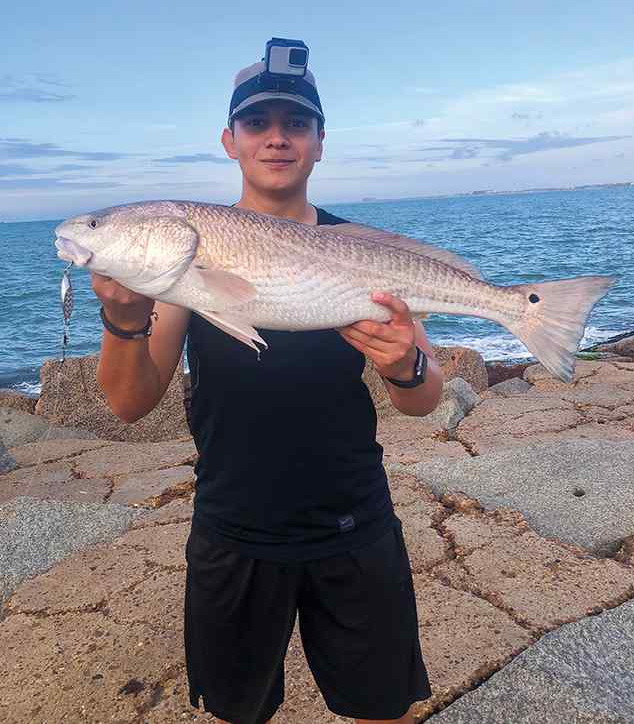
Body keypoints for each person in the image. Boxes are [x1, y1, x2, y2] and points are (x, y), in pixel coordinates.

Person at [93, 39, 444, 724]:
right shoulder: (185, 253)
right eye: (258, 124)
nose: (277, 138)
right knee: (237, 714)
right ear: (231, 140)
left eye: (296, 124)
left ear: (319, 143)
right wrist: (123, 319)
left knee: (384, 712)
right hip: (233, 528)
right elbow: (130, 402)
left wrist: (406, 363)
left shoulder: (363, 248)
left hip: (355, 521)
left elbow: (424, 401)